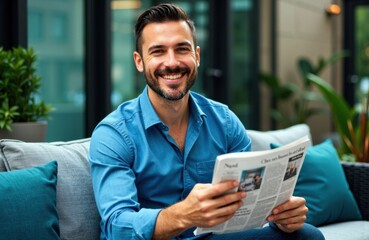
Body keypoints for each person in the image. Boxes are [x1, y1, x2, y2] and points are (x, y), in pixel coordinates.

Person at [89, 3, 325, 240]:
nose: (171, 62)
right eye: (158, 51)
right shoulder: (114, 134)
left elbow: (249, 202)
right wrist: (184, 215)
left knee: (306, 235)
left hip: (215, 237)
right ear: (139, 61)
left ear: (197, 56)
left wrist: (281, 214)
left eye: (182, 49)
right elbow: (117, 227)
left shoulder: (225, 122)